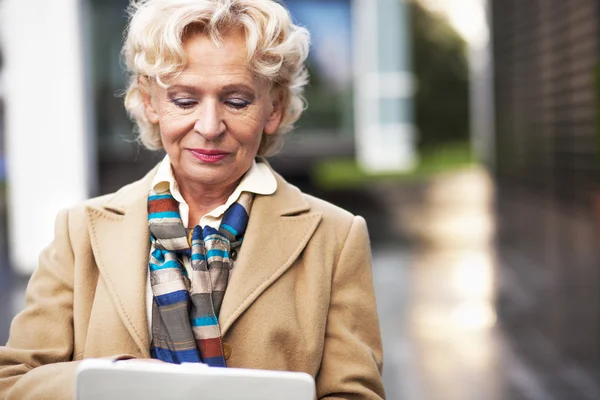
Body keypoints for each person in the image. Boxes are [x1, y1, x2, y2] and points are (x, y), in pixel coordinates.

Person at [0, 0, 385, 399]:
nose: (209, 126)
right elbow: (12, 381)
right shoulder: (78, 231)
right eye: (184, 101)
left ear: (275, 108)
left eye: (237, 101)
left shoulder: (336, 237)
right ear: (150, 102)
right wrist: (114, 376)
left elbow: (355, 393)